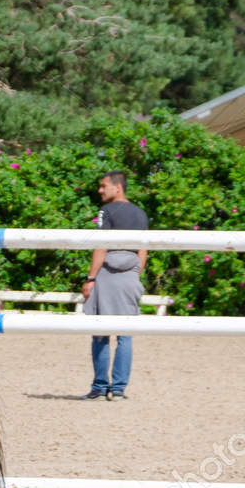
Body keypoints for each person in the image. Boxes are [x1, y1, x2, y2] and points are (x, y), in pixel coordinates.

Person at [82, 170, 149, 400]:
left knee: (100, 332)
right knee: (125, 334)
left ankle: (100, 388)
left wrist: (91, 278)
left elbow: (101, 246)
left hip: (107, 274)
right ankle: (119, 389)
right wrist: (134, 274)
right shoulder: (141, 213)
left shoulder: (106, 211)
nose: (100, 190)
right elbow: (143, 250)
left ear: (117, 187)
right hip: (130, 273)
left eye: (103, 186)